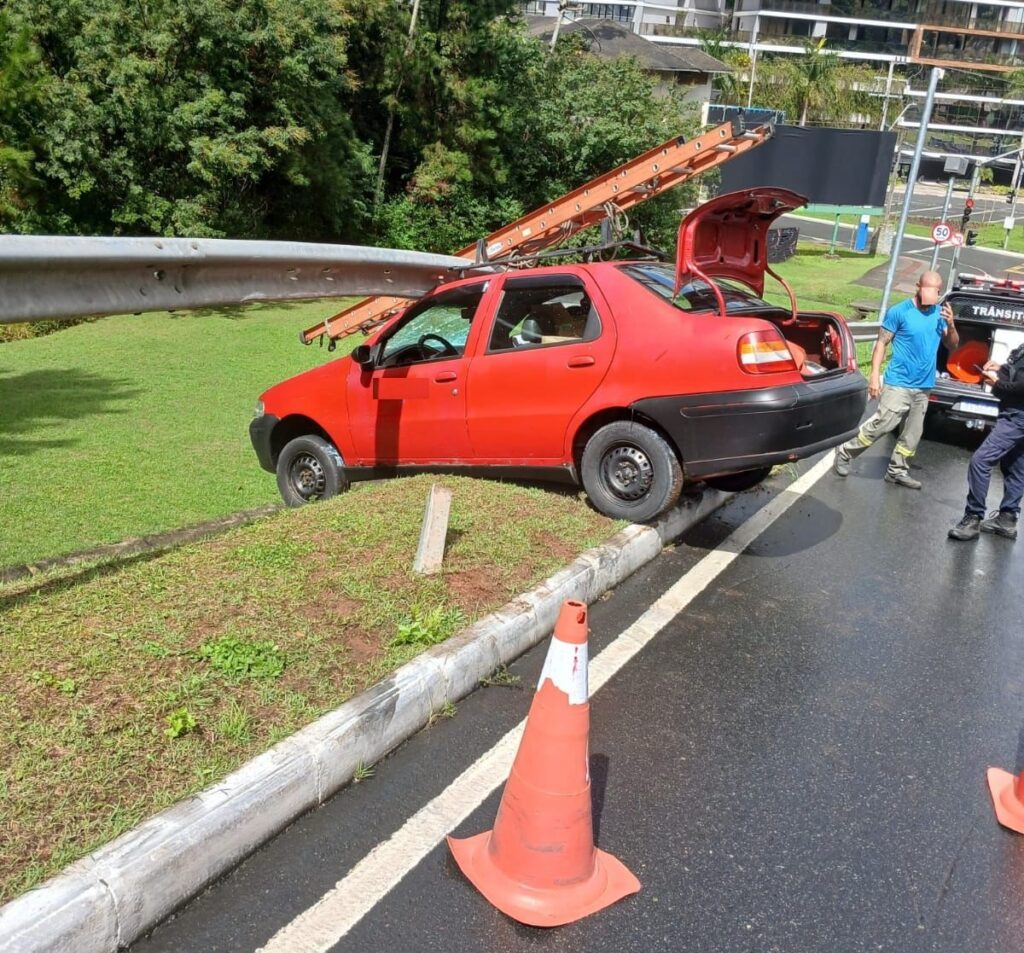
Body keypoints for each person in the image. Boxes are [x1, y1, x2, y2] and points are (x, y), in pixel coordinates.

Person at [833, 270, 958, 488]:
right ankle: (846, 451)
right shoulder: (900, 311)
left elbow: (952, 345)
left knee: (912, 434)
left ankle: (897, 470)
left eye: (935, 293)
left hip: (924, 386)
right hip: (898, 382)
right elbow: (882, 343)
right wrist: (874, 376)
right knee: (883, 424)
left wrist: (952, 325)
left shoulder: (940, 314)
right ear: (918, 286)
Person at [947, 342, 1024, 541]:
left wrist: (995, 382)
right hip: (1014, 411)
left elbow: (1020, 387)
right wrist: (1001, 368)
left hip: (1018, 416)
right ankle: (1007, 519)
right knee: (1015, 465)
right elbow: (1018, 372)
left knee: (980, 461)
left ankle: (973, 517)